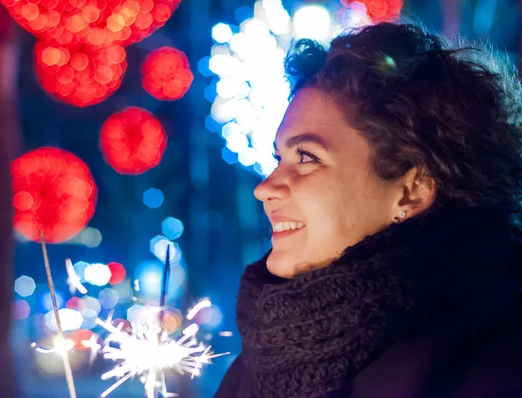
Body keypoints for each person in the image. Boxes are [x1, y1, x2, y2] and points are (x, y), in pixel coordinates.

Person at [215, 22, 522, 398]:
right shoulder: (259, 361)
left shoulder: (493, 363)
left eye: (307, 157)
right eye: (278, 157)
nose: (264, 188)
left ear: (413, 190)